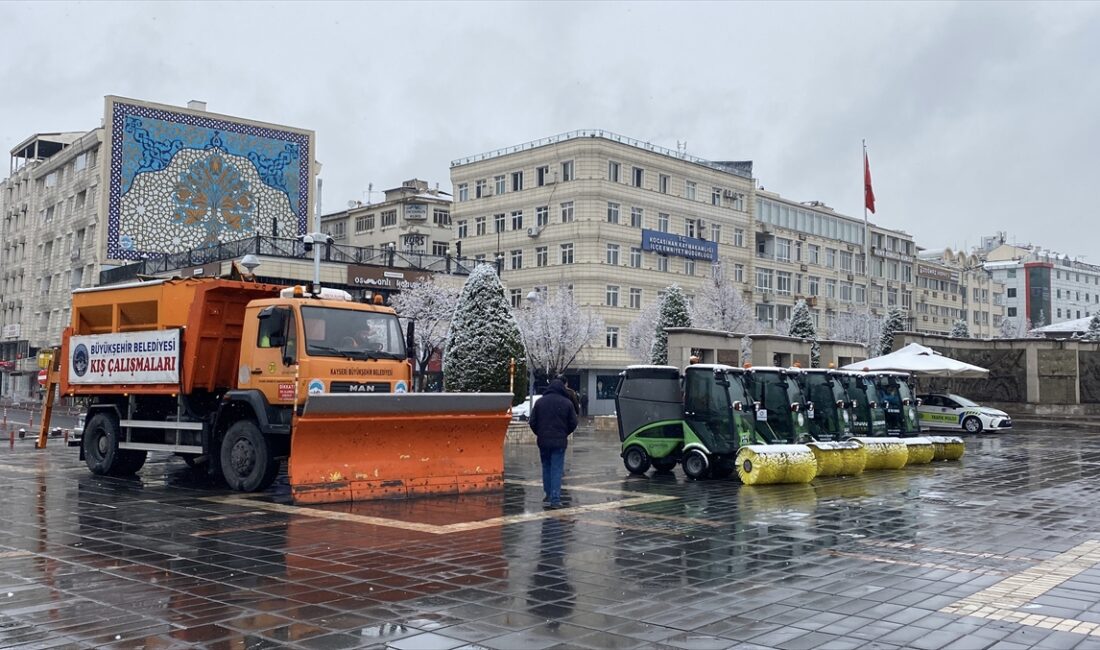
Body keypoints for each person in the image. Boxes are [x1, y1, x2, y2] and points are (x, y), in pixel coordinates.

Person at [529, 378, 577, 509]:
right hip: (559, 441)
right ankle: (555, 499)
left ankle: (548, 494)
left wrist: (540, 433)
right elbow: (574, 423)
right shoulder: (567, 403)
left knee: (546, 467)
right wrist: (564, 433)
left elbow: (532, 422)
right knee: (556, 469)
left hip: (543, 441)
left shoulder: (540, 402)